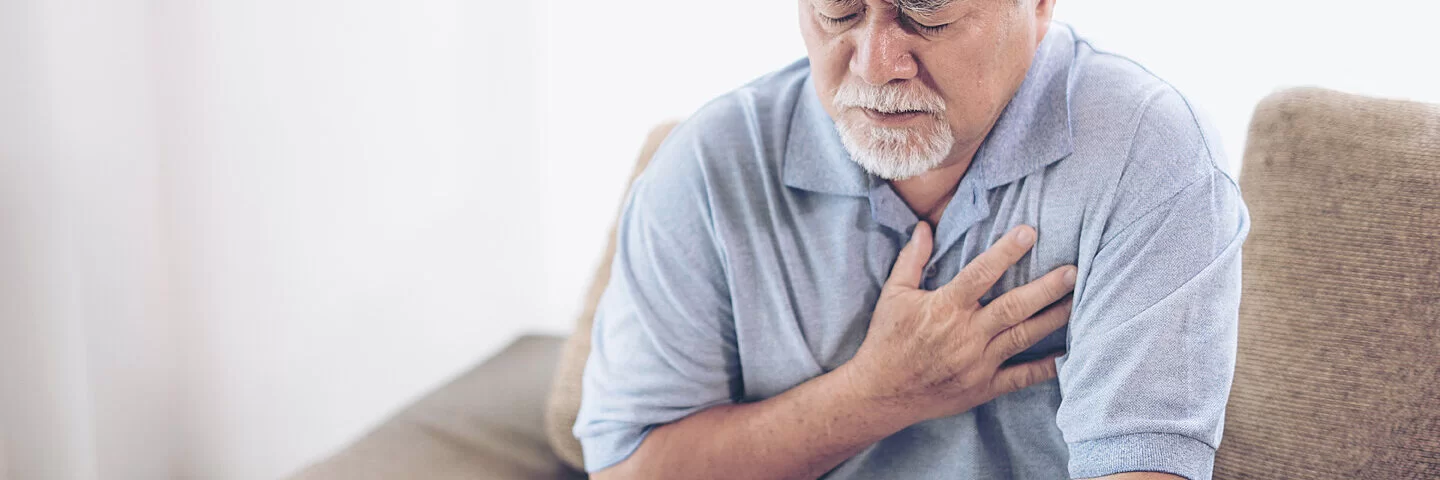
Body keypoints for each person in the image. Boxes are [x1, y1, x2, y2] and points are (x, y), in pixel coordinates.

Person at [575, 0, 1250, 478]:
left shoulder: (1149, 152)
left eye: (925, 7)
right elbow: (629, 468)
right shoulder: (708, 163)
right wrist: (875, 394)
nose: (874, 65)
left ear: (1039, 5)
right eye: (839, 8)